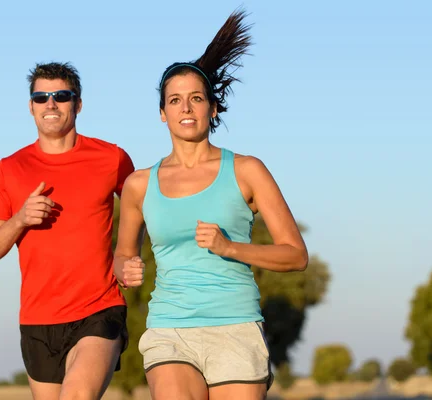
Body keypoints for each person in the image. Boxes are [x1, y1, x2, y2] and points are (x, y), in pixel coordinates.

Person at [112, 9, 309, 400]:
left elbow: (295, 255)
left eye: (196, 99)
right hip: (169, 326)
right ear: (162, 114)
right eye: (175, 100)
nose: (186, 108)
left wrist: (230, 248)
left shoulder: (247, 171)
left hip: (235, 326)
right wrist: (125, 269)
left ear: (213, 109)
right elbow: (122, 256)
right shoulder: (138, 185)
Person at [0, 62, 134, 400]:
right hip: (38, 319)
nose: (51, 104)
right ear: (31, 107)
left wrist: (126, 253)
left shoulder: (112, 158)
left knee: (77, 395)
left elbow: (144, 209)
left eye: (61, 96)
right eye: (41, 97)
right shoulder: (9, 169)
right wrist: (19, 219)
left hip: (98, 308)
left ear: (78, 104)